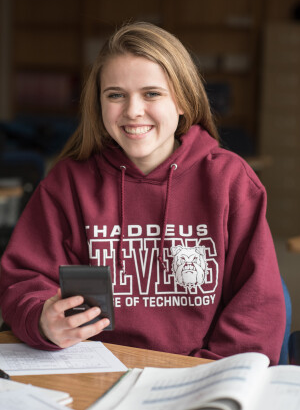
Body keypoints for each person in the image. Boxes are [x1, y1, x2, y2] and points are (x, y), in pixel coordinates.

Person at [0, 22, 285, 364]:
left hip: (199, 376)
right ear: (99, 103)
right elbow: (22, 279)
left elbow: (257, 306)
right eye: (116, 95)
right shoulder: (67, 183)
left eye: (152, 93)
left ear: (182, 100)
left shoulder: (229, 180)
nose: (133, 110)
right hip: (92, 374)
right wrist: (42, 320)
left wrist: (204, 375)